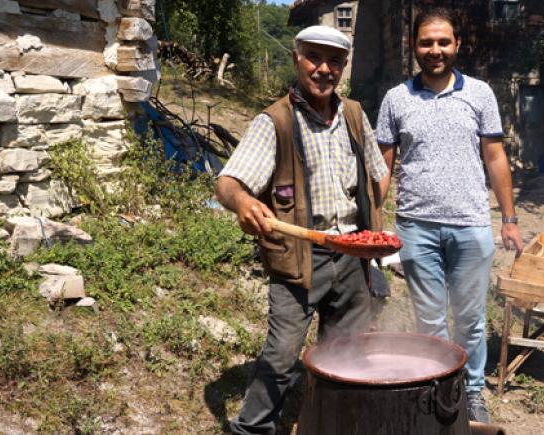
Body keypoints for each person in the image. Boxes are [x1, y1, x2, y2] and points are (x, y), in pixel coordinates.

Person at [215, 25, 389, 435]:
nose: (323, 69)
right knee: (280, 354)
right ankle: (253, 429)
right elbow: (228, 183)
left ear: (343, 66)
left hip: (352, 254)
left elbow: (378, 177)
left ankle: (328, 424)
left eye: (334, 61)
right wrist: (244, 203)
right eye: (314, 58)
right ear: (296, 59)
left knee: (345, 355)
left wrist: (372, 237)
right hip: (298, 257)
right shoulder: (274, 121)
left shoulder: (354, 116)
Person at [376, 7, 524, 424]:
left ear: (457, 45)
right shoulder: (396, 99)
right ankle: (439, 386)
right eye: (427, 42)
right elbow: (383, 167)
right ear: (414, 47)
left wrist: (508, 218)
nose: (435, 50)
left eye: (443, 42)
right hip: (415, 226)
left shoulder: (479, 94)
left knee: (471, 319)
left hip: (471, 225)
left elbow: (495, 157)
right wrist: (372, 223)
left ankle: (473, 390)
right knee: (429, 319)